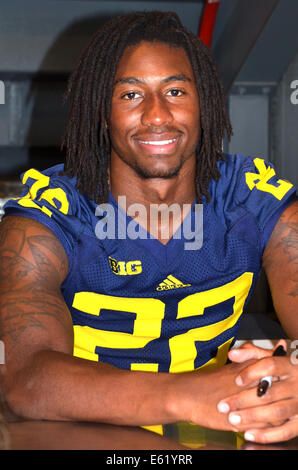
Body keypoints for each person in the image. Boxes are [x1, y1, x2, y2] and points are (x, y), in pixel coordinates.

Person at [0, 11, 297, 445]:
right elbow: (24, 377)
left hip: (218, 429)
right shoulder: (50, 218)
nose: (157, 115)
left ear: (205, 104)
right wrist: (192, 395)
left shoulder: (252, 201)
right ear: (101, 113)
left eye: (175, 91)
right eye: (130, 95)